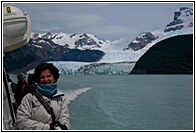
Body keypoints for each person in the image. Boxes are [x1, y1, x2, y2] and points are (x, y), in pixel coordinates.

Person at [16, 63, 70, 130]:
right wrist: (48, 128)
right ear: (38, 80)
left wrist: (62, 127)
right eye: (42, 77)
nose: (46, 79)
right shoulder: (29, 98)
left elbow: (64, 119)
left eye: (49, 76)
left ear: (54, 78)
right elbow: (21, 121)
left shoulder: (61, 98)